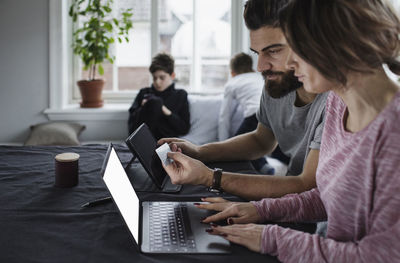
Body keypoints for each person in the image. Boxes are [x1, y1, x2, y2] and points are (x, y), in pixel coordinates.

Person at [197, 0, 400, 262]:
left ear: (337, 45)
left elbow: (379, 257)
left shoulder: (393, 133)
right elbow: (327, 197)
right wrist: (258, 210)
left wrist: (270, 237)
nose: (290, 63)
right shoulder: (340, 103)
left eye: (298, 47)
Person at [159, 0, 327, 201]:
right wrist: (199, 151)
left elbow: (306, 186)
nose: (260, 67)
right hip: (285, 206)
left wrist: (210, 178)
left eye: (273, 51)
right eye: (257, 53)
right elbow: (261, 140)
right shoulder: (276, 83)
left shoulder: (334, 101)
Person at [219, 52, 276, 174]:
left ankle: (264, 168)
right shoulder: (259, 77)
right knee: (263, 143)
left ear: (232, 72)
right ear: (252, 67)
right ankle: (265, 166)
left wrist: (222, 145)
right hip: (273, 113)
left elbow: (224, 117)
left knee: (237, 147)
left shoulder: (232, 83)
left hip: (255, 115)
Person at [128, 53, 190, 140]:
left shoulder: (181, 95)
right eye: (154, 78)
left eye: (162, 78)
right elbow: (131, 128)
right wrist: (143, 108)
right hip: (142, 142)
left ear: (172, 75)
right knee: (155, 102)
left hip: (167, 144)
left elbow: (184, 129)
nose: (157, 82)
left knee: (157, 102)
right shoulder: (143, 93)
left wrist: (165, 111)